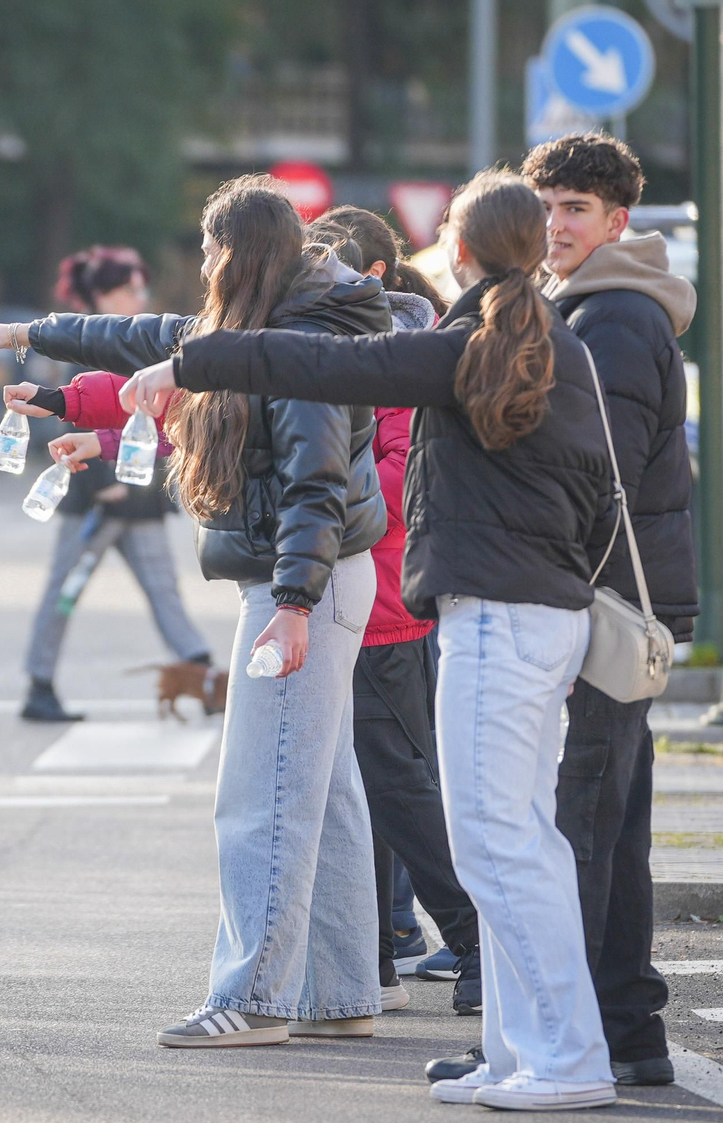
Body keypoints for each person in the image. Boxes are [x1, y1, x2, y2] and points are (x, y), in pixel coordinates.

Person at [123, 170, 621, 1111]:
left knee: (500, 849)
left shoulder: (464, 349)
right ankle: (524, 1049)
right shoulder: (546, 345)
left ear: (458, 252)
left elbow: (319, 368)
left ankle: (565, 1057)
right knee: (514, 844)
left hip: (498, 618)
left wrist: (191, 364)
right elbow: (607, 490)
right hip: (543, 612)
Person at [0, 175, 391, 1048]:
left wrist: (295, 603)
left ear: (234, 255)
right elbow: (139, 338)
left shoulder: (299, 342)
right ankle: (338, 992)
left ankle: (254, 996)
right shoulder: (268, 329)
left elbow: (318, 486)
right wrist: (24, 336)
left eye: (205, 251)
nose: (198, 267)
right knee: (326, 791)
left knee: (262, 794)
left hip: (299, 583)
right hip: (316, 580)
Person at [512, 133, 691, 1089]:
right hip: (620, 595)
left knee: (576, 823)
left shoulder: (613, 319)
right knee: (610, 823)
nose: (556, 225)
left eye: (576, 209)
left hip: (604, 600)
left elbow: (597, 467)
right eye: (545, 206)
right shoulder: (593, 307)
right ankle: (628, 1028)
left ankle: (571, 1033)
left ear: (617, 221)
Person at [307, 208, 485, 1017]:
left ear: (370, 277)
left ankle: (477, 937)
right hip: (337, 594)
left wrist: (307, 497)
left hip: (383, 604)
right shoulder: (333, 351)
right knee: (356, 788)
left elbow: (400, 484)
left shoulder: (406, 359)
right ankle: (372, 949)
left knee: (398, 787)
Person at [17, 246, 210, 722]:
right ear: (103, 295)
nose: (140, 296)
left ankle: (204, 674)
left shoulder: (137, 342)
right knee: (65, 591)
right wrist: (105, 482)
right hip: (95, 504)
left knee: (164, 589)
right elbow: (72, 413)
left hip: (139, 500)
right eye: (130, 288)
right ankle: (39, 685)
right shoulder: (81, 346)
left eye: (142, 287)